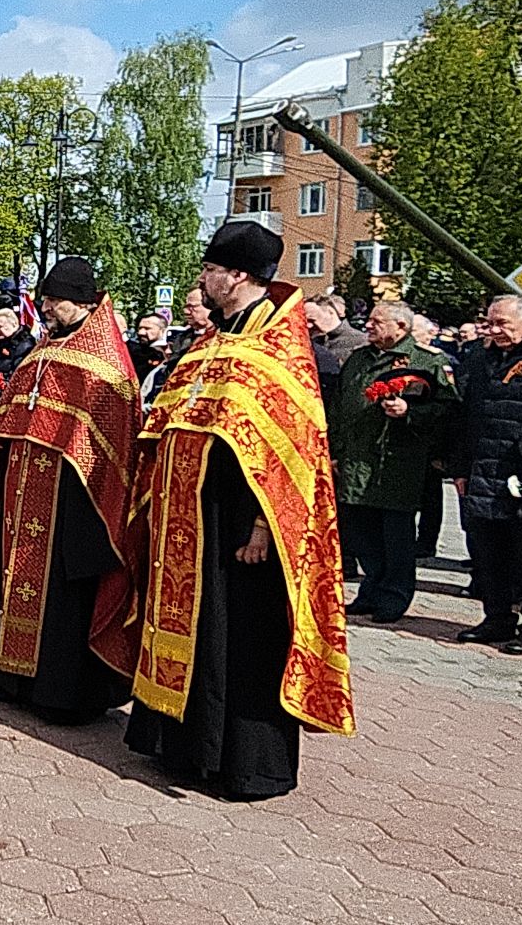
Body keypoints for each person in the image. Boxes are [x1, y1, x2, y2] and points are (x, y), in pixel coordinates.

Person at [125, 223, 354, 800]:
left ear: (239, 275)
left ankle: (247, 765)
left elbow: (288, 452)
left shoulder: (278, 350)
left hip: (242, 526)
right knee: (199, 634)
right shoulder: (208, 343)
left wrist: (259, 525)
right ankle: (186, 749)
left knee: (242, 637)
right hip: (188, 522)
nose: (202, 280)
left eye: (210, 270)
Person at [0, 260, 138, 723]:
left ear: (83, 302)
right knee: (16, 575)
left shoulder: (106, 361)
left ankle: (61, 691)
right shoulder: (45, 349)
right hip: (25, 487)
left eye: (53, 301)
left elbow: (113, 442)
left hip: (73, 497)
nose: (45, 308)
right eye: (43, 300)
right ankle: (15, 677)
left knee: (63, 593)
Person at [331, 301, 457, 623]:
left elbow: (447, 411)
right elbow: (339, 406)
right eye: (369, 321)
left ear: (401, 327)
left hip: (398, 464)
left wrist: (410, 413)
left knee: (396, 537)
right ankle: (370, 591)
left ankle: (394, 596)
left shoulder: (427, 362)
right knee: (362, 534)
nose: (369, 326)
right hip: (355, 461)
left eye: (377, 321)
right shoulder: (360, 358)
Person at [448, 294, 522, 654]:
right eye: (490, 323)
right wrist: (460, 468)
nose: (494, 331)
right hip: (484, 474)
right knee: (488, 554)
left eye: (502, 324)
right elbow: (465, 417)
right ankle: (496, 618)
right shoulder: (480, 359)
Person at [0, 306, 35, 407]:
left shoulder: (25, 345)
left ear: (14, 324)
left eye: (0, 326)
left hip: (14, 403)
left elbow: (15, 378)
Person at [308, 293, 368, 366]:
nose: (309, 325)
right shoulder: (312, 343)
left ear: (330, 312)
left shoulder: (360, 341)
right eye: (305, 321)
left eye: (312, 320)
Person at [128, 313, 170, 385]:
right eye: (140, 328)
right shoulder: (132, 350)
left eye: (147, 328)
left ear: (162, 330)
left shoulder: (174, 350)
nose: (141, 332)